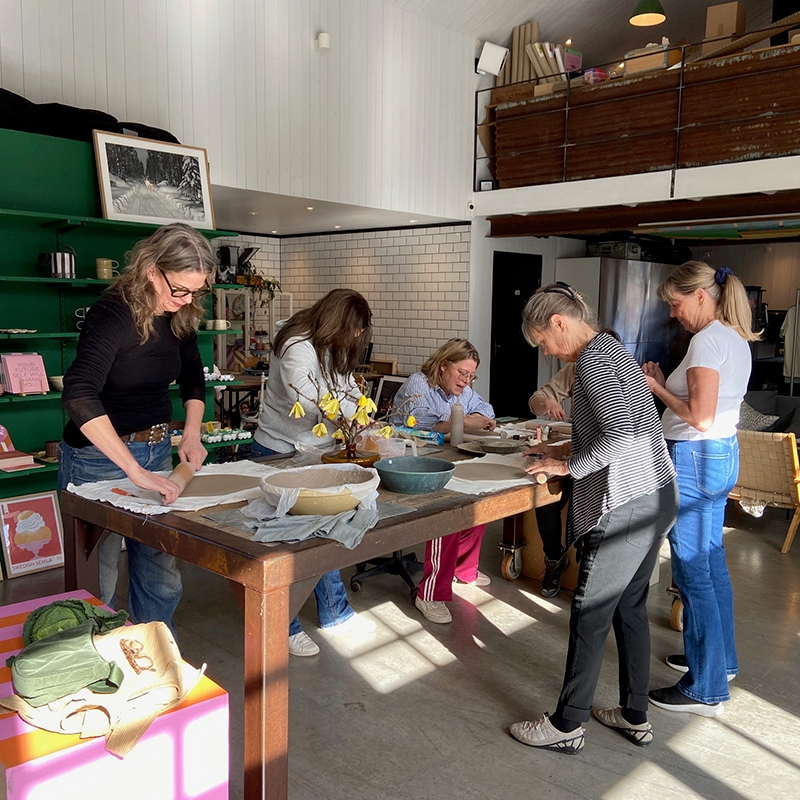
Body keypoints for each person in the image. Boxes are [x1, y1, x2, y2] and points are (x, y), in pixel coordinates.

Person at [510, 282, 678, 754]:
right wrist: (560, 451)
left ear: (559, 323)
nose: (547, 352)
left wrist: (565, 468)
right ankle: (634, 715)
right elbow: (620, 427)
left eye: (544, 341)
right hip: (656, 492)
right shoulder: (612, 348)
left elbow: (621, 436)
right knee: (629, 607)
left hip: (626, 504)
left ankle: (567, 724)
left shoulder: (592, 361)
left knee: (590, 611)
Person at [59, 223, 214, 633]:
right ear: (150, 270)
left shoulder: (180, 313)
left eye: (196, 292)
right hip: (98, 460)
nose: (186, 300)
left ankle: (154, 650)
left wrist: (191, 434)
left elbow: (192, 377)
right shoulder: (112, 312)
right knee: (99, 578)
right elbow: (79, 393)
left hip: (158, 450)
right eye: (179, 289)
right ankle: (99, 659)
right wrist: (131, 469)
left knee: (160, 571)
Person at [643, 262, 757, 716]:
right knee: (711, 564)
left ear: (700, 296)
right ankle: (719, 663)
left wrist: (656, 386)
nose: (673, 314)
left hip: (694, 457)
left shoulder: (707, 340)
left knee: (692, 572)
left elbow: (699, 417)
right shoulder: (734, 337)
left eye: (676, 303)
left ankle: (705, 689)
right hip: (720, 454)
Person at [252, 288, 377, 657]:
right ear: (336, 321)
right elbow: (306, 400)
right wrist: (351, 415)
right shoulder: (296, 344)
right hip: (279, 451)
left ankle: (336, 614)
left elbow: (345, 388)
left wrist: (364, 409)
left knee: (324, 535)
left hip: (315, 453)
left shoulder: (332, 345)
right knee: (285, 546)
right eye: (353, 330)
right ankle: (285, 627)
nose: (355, 338)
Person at [391, 338, 496, 624]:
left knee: (477, 500)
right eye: (462, 373)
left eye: (471, 376)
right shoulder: (419, 383)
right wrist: (463, 421)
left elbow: (487, 411)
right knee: (447, 514)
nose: (466, 381)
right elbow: (421, 422)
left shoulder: (463, 391)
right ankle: (430, 593)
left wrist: (474, 418)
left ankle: (464, 569)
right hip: (409, 463)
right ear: (443, 365)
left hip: (443, 457)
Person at [528, 363, 574, 597]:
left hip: (603, 462)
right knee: (546, 497)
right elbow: (535, 400)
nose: (546, 354)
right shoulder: (575, 368)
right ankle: (554, 560)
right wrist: (548, 402)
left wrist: (565, 463)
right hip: (577, 449)